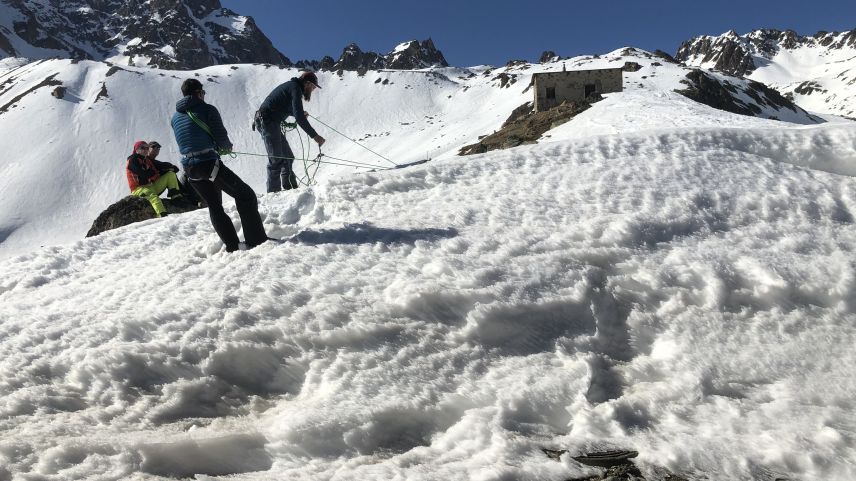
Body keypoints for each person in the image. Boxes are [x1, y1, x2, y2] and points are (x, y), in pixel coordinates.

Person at [170, 78, 269, 252]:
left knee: (214, 206)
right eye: (203, 93)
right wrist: (225, 147)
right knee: (246, 195)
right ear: (198, 93)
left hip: (190, 170)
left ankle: (232, 246)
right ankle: (256, 241)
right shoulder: (207, 109)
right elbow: (221, 138)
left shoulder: (175, 117)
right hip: (209, 164)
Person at [255, 71, 326, 192]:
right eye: (313, 86)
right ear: (307, 83)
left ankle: (290, 190)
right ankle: (273, 194)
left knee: (288, 157)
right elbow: (299, 117)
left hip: (271, 122)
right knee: (276, 159)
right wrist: (315, 136)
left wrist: (298, 114)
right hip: (267, 121)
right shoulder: (295, 88)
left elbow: (288, 109)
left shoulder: (293, 87)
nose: (313, 89)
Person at [126, 140, 182, 217]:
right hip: (138, 189)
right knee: (154, 197)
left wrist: (168, 169)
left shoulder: (146, 160)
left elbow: (154, 172)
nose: (146, 150)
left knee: (170, 175)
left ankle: (176, 198)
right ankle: (162, 215)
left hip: (151, 186)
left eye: (147, 148)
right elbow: (143, 174)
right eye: (143, 148)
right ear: (136, 150)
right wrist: (151, 172)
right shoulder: (132, 160)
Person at [147, 140, 201, 205]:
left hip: (154, 187)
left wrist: (167, 169)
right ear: (147, 149)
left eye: (158, 148)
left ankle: (186, 195)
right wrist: (167, 169)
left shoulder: (155, 162)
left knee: (181, 174)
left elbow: (175, 168)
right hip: (148, 188)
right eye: (153, 147)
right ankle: (183, 196)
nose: (156, 149)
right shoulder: (145, 161)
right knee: (171, 174)